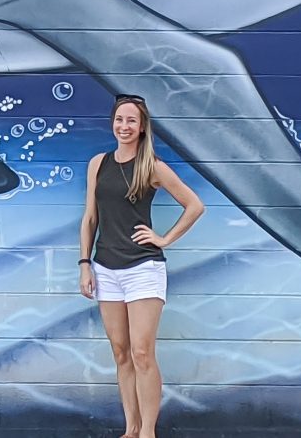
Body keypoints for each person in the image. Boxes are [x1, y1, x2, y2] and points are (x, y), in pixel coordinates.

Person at [78, 94, 205, 438]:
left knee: (142, 352)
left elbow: (194, 205)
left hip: (142, 269)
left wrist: (164, 238)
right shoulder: (98, 164)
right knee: (121, 353)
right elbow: (90, 218)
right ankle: (130, 429)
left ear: (142, 126)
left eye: (131, 120)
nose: (124, 126)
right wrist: (85, 264)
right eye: (120, 119)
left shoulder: (153, 167)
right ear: (113, 123)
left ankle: (148, 432)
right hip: (105, 268)